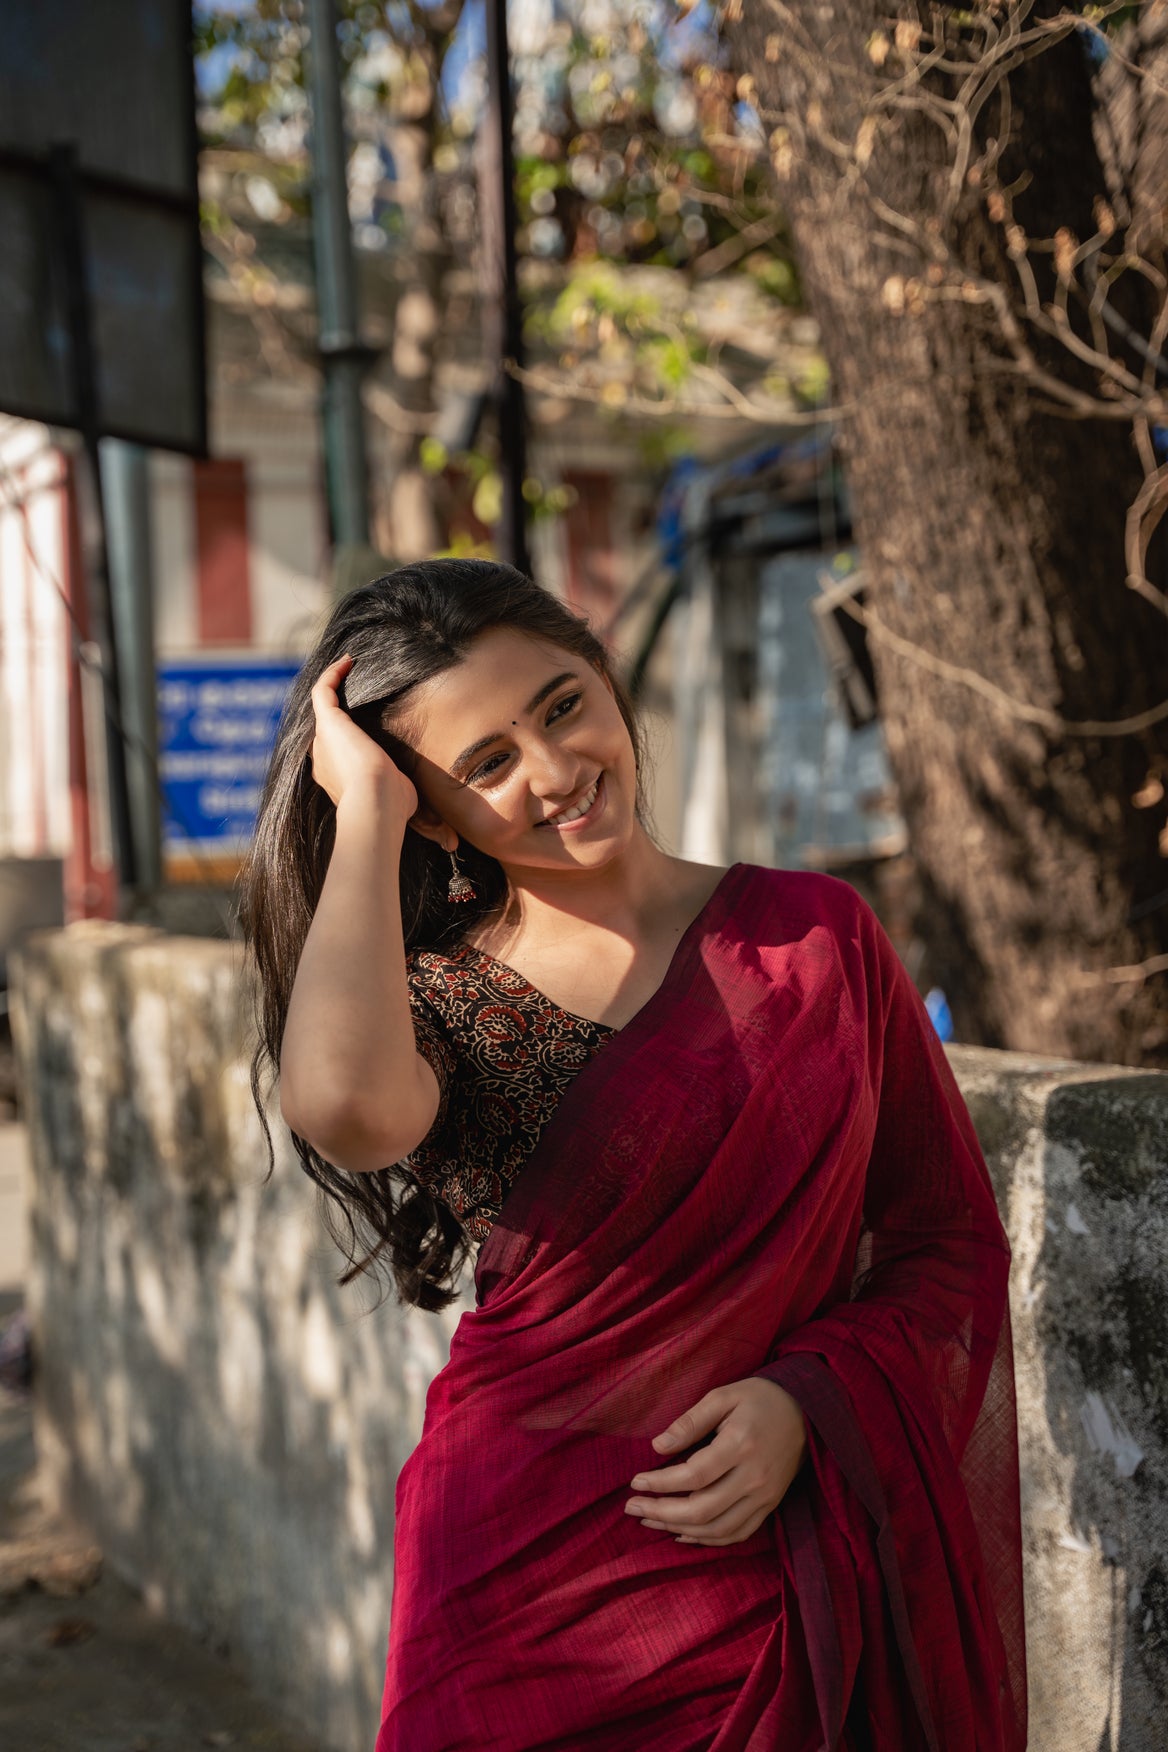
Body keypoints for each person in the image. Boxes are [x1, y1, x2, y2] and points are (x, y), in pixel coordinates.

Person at [242, 559, 1026, 1752]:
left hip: (768, 1552)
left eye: (560, 706)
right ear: (432, 816)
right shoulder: (441, 999)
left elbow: (942, 1240)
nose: (554, 773)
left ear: (606, 677)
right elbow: (344, 1110)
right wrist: (360, 813)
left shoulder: (815, 938)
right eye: (485, 766)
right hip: (520, 1582)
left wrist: (805, 1400)